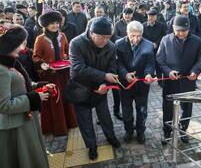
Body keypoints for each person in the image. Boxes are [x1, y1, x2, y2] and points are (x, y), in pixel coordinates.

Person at [69, 17, 121, 160]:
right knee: (85, 120)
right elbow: (78, 68)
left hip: (100, 87)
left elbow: (112, 66)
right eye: (101, 37)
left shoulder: (111, 46)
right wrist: (104, 76)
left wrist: (106, 84)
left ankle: (111, 137)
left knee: (105, 115)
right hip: (80, 87)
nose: (105, 41)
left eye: (108, 37)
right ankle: (91, 146)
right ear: (91, 33)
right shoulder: (76, 43)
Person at [0, 26, 49, 168]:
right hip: (15, 127)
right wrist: (34, 97)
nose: (24, 45)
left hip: (25, 119)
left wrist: (38, 86)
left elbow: (20, 84)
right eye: (21, 42)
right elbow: (4, 105)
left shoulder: (10, 61)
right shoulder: (1, 69)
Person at [157, 15, 201, 144]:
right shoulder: (165, 40)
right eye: (178, 30)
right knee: (168, 109)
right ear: (173, 28)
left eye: (183, 30)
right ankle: (167, 131)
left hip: (188, 81)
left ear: (188, 29)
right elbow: (160, 59)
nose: (181, 33)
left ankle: (183, 130)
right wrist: (168, 71)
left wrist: (195, 71)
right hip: (170, 82)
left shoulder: (196, 41)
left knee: (187, 108)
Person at [33, 10, 78, 136]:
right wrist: (42, 64)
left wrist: (66, 57)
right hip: (50, 75)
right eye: (52, 23)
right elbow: (36, 56)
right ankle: (57, 127)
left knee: (66, 97)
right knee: (55, 100)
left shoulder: (62, 36)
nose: (56, 26)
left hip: (64, 73)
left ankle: (69, 122)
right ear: (45, 25)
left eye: (57, 23)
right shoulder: (40, 39)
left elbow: (68, 50)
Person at [116, 21, 155, 144]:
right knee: (126, 111)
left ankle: (140, 131)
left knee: (142, 111)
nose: (136, 39)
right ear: (127, 33)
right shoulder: (119, 44)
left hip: (142, 85)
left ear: (142, 34)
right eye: (132, 36)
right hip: (125, 85)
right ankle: (128, 131)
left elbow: (150, 63)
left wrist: (148, 74)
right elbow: (118, 63)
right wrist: (125, 74)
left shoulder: (148, 45)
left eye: (139, 36)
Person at [142, 8, 167, 87]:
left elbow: (163, 35)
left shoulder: (161, 25)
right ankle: (148, 78)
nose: (151, 17)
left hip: (158, 48)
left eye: (153, 16)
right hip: (147, 48)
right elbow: (142, 37)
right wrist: (149, 44)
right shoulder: (143, 26)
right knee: (147, 63)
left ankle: (160, 81)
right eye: (149, 16)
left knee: (158, 64)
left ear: (156, 17)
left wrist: (156, 43)